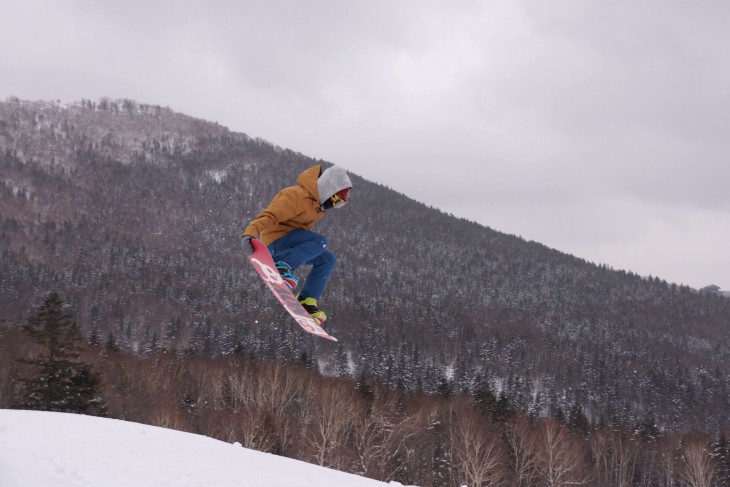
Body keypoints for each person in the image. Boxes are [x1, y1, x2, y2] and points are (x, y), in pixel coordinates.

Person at [241, 164, 352, 325]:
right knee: (320, 241)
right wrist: (249, 233)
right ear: (328, 191)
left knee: (328, 259)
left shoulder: (317, 207)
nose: (335, 206)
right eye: (336, 201)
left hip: (288, 243)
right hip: (276, 240)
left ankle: (307, 299)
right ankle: (282, 265)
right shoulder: (297, 196)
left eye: (340, 204)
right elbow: (270, 215)